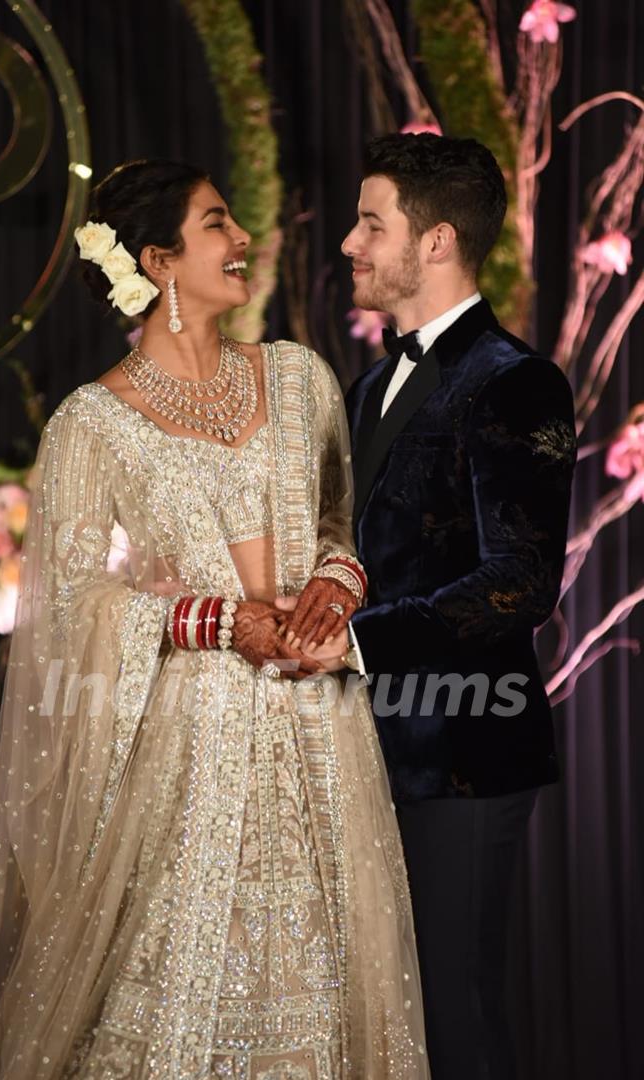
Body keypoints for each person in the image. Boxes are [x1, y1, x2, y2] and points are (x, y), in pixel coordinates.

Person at [0, 160, 429, 1079]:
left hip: (319, 730)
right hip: (190, 752)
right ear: (161, 261)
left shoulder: (299, 377)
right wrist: (211, 620)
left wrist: (338, 586)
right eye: (217, 224)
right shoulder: (92, 423)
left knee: (324, 994)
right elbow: (69, 607)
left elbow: (338, 527)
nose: (242, 242)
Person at [337, 133, 576, 1079]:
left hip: (466, 758)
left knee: (453, 1010)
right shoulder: (369, 385)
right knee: (382, 1014)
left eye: (371, 223)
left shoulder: (515, 380)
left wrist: (353, 645)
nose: (351, 245)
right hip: (369, 751)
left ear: (435, 242)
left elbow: (520, 582)